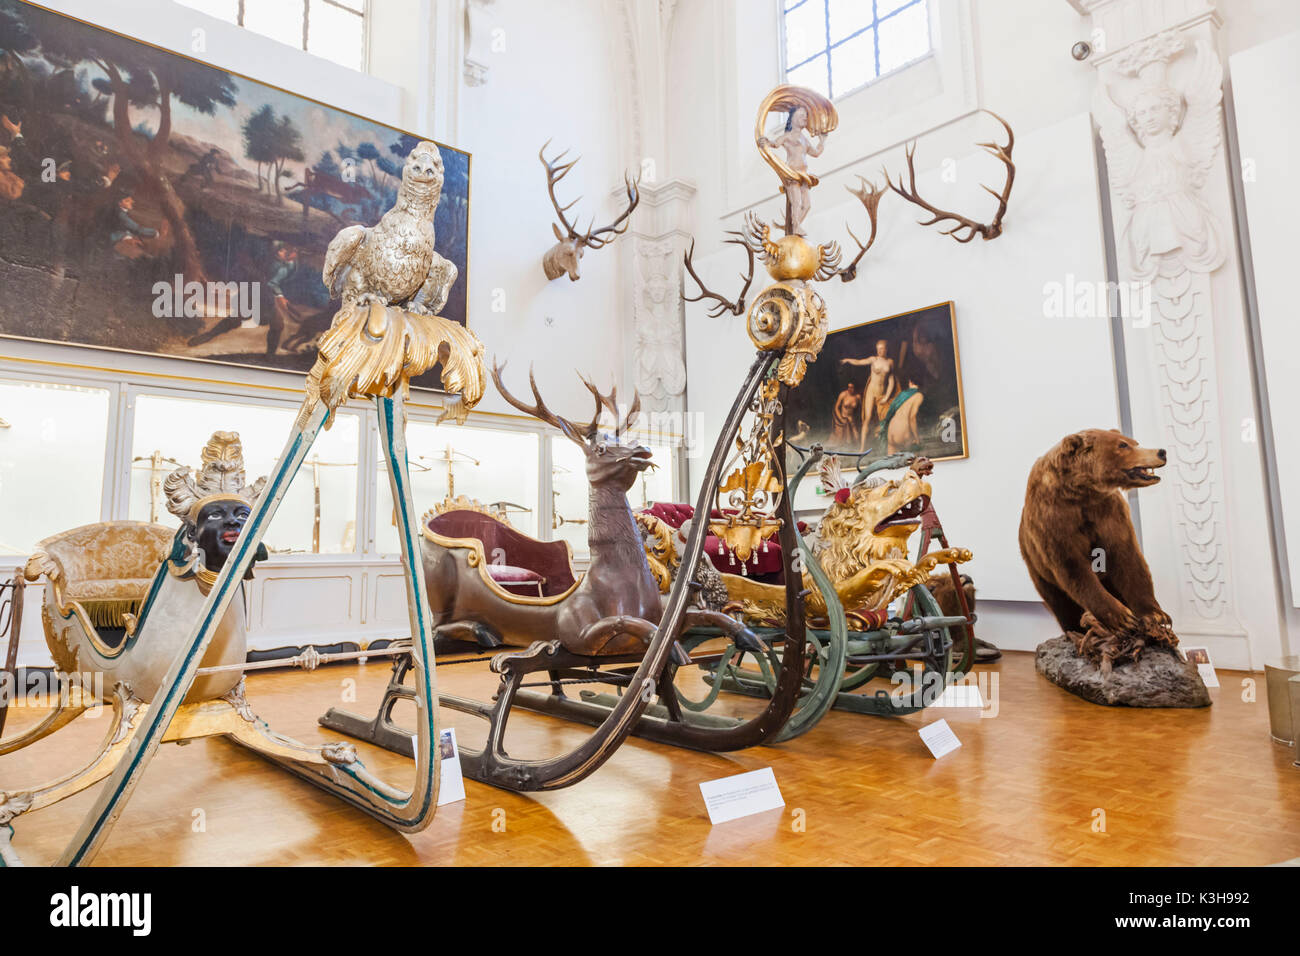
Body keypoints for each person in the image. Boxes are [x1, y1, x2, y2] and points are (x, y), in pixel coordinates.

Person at [758, 105, 825, 235]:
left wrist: (822, 141)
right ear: (792, 119)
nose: (804, 117)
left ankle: (794, 227)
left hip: (804, 176)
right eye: (801, 115)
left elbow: (816, 153)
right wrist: (766, 142)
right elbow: (775, 143)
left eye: (805, 115)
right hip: (792, 174)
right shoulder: (788, 136)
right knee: (797, 202)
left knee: (807, 205)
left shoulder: (804, 139)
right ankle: (795, 227)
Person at [840, 339, 896, 451]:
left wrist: (886, 397)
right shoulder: (873, 359)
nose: (880, 351)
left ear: (886, 349)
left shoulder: (890, 362)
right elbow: (859, 362)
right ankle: (862, 448)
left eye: (882, 348)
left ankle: (885, 445)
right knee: (868, 418)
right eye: (878, 349)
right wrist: (847, 360)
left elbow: (891, 381)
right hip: (871, 392)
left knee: (884, 420)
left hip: (882, 394)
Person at [830, 382, 861, 447]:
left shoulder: (857, 397)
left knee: (856, 435)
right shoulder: (843, 394)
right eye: (849, 387)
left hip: (851, 418)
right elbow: (836, 407)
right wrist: (840, 418)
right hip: (842, 417)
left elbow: (860, 409)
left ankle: (858, 449)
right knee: (841, 438)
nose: (850, 389)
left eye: (852, 387)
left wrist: (857, 418)